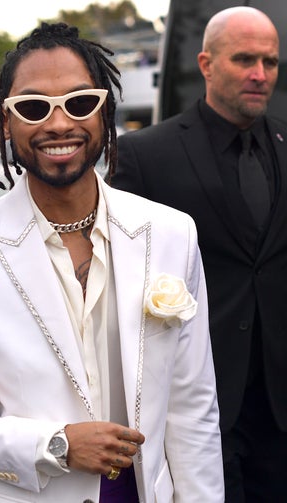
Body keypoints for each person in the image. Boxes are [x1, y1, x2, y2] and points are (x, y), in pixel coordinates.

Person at [0, 22, 224, 502]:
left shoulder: (172, 233)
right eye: (34, 108)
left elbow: (192, 407)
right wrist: (54, 445)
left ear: (105, 112)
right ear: (6, 123)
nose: (58, 124)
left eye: (80, 103)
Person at [111, 6, 286, 502]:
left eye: (270, 63)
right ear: (206, 64)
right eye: (245, 59)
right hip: (196, 403)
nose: (260, 74)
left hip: (279, 408)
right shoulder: (146, 155)